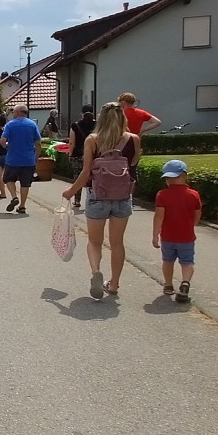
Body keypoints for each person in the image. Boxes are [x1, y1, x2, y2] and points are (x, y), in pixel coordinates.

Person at [62, 102, 141, 299]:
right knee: (117, 243)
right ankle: (114, 284)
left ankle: (96, 271)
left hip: (98, 195)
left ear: (101, 118)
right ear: (123, 118)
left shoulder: (93, 140)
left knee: (95, 241)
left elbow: (86, 172)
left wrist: (71, 191)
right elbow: (132, 165)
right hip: (123, 197)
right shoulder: (134, 139)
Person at [153, 159, 202, 303]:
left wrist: (155, 234)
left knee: (167, 261)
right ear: (184, 176)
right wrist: (192, 225)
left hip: (168, 236)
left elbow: (159, 216)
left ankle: (168, 285)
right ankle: (185, 282)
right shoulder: (193, 194)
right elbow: (197, 214)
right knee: (187, 262)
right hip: (187, 237)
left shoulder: (162, 195)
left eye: (168, 178)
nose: (168, 181)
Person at [0, 104, 41, 213]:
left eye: (13, 112)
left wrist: (7, 147)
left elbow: (3, 141)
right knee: (25, 183)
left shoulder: (10, 125)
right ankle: (22, 206)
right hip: (28, 160)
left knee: (8, 179)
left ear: (18, 112)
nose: (13, 113)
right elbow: (38, 143)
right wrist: (36, 157)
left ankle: (14, 197)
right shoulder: (32, 125)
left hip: (13, 159)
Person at [68, 104, 96, 210]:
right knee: (94, 177)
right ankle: (93, 198)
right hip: (94, 155)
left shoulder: (75, 125)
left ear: (81, 113)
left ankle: (77, 200)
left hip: (78, 155)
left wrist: (70, 154)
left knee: (77, 177)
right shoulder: (97, 125)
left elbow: (72, 142)